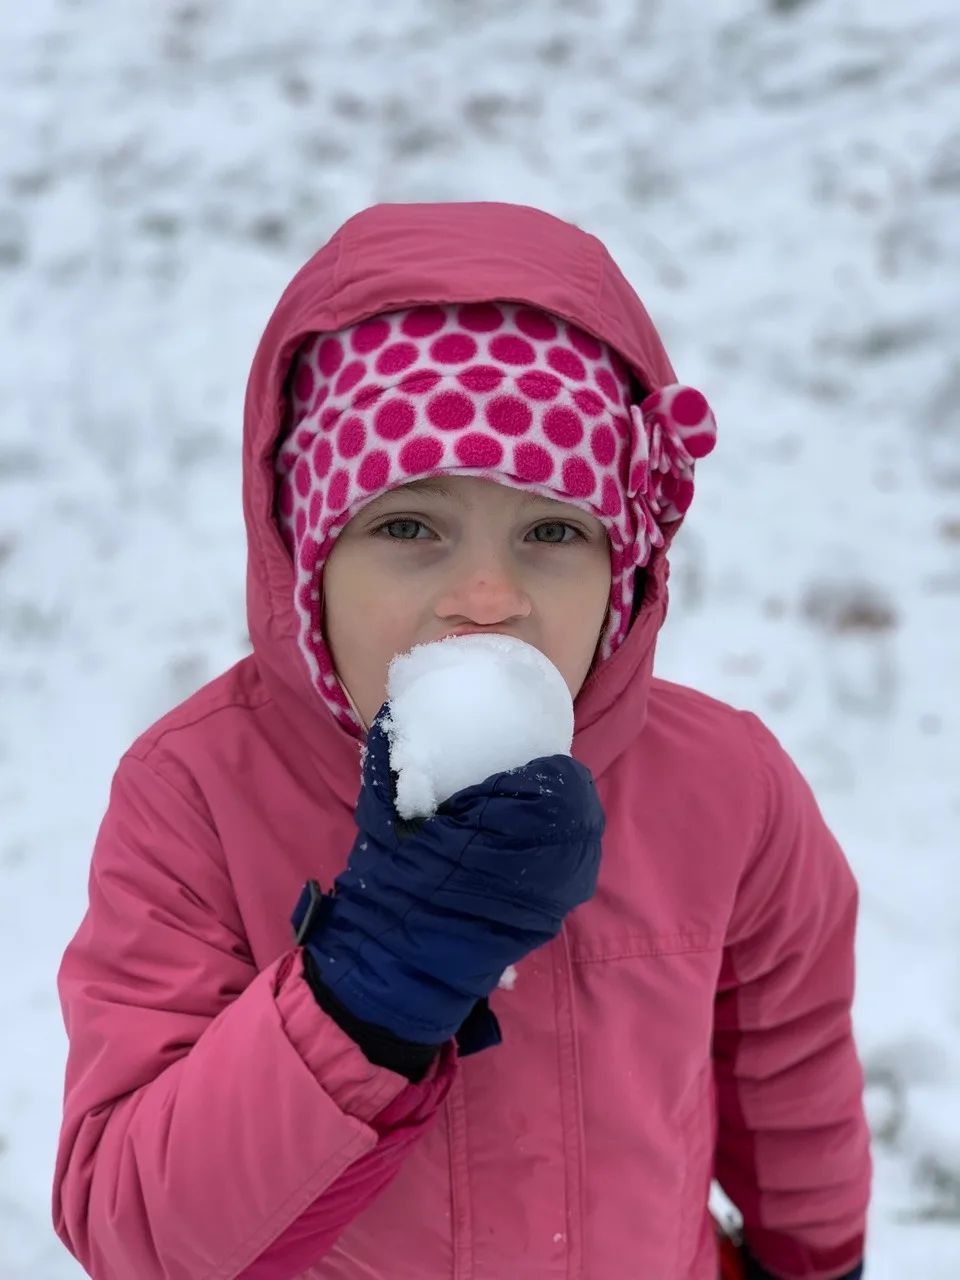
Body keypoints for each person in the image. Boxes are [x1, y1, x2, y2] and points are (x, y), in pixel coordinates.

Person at [52, 201, 871, 1280]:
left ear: (625, 572)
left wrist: (812, 1261)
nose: (487, 597)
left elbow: (791, 1067)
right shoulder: (196, 794)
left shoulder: (728, 787)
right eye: (407, 527)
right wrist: (362, 987)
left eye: (552, 532)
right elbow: (136, 1231)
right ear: (307, 556)